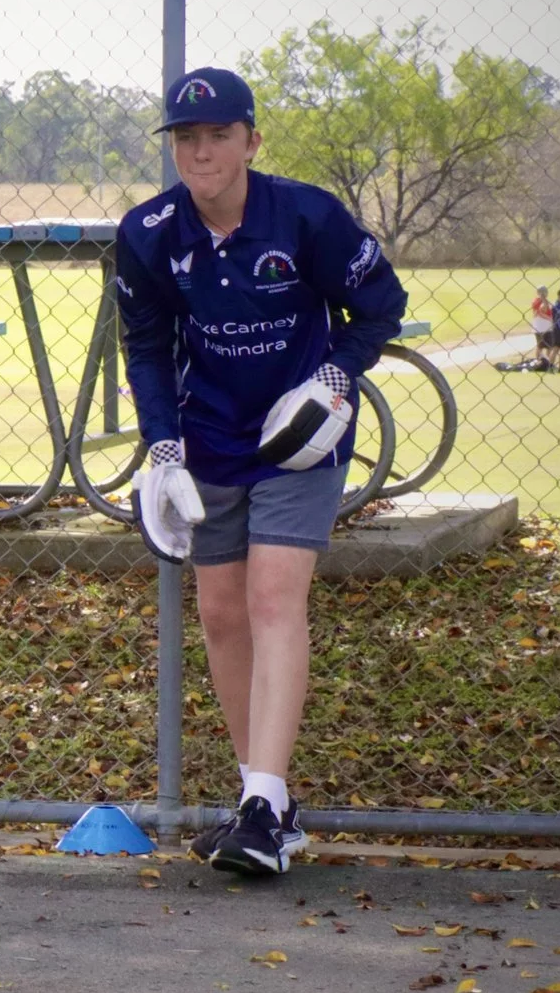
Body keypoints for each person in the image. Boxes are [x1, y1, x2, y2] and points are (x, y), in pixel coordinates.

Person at [113, 66, 408, 877]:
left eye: (217, 135)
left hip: (297, 440)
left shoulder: (307, 215)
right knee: (221, 616)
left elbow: (380, 304)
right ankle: (266, 806)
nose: (201, 152)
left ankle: (262, 803)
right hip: (209, 440)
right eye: (186, 138)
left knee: (275, 599)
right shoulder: (148, 233)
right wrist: (163, 450)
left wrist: (336, 380)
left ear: (251, 140)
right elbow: (145, 348)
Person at [528, 285, 554, 370]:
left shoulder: (547, 301)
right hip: (539, 327)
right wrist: (550, 319)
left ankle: (548, 362)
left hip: (548, 327)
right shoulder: (536, 301)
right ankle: (539, 362)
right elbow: (538, 312)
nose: (546, 294)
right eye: (544, 292)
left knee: (549, 346)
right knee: (540, 346)